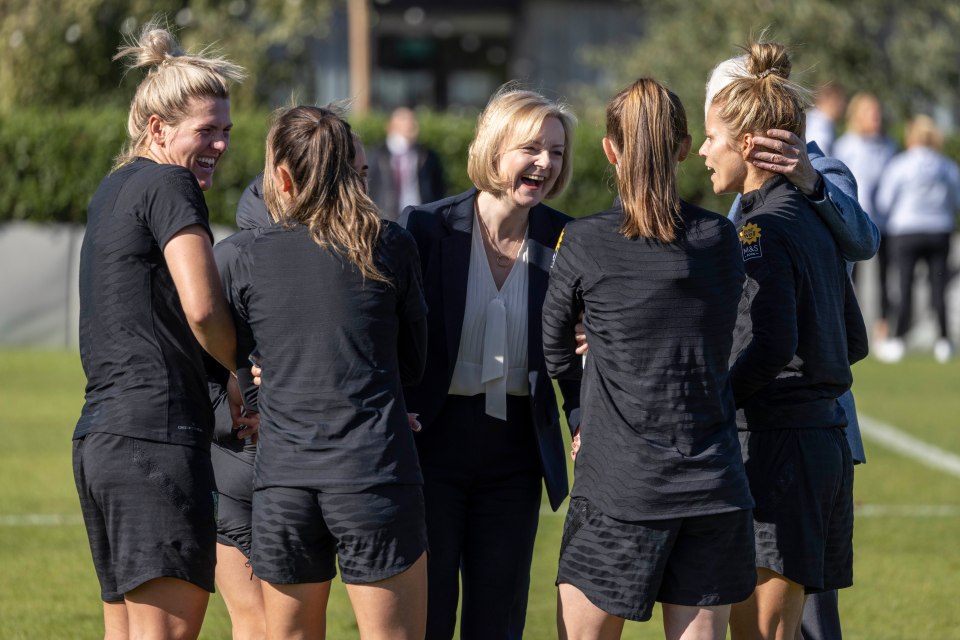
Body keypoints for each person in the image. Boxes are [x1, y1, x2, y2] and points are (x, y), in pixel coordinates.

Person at [543, 78, 755, 640]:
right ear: (684, 147)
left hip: (619, 484)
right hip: (712, 482)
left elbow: (554, 345)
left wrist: (578, 416)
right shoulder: (719, 237)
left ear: (610, 149)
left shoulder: (585, 241)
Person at [72, 21, 251, 640]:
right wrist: (239, 374)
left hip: (101, 440)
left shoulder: (112, 188)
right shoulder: (171, 184)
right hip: (155, 438)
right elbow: (202, 307)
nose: (220, 145)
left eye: (226, 131)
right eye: (206, 130)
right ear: (158, 129)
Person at [228, 105, 428, 639]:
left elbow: (222, 343)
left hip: (283, 481)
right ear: (357, 172)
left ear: (284, 178)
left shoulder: (247, 254)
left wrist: (257, 384)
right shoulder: (390, 244)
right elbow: (414, 361)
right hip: (374, 473)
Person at [705, 53, 878, 640]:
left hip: (781, 436)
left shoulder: (784, 208)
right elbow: (851, 335)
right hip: (813, 429)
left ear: (749, 140)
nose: (703, 152)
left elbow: (770, 342)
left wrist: (712, 399)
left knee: (778, 626)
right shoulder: (785, 213)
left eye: (710, 137)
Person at [400, 84, 581, 639]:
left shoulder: (567, 239)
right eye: (530, 148)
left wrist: (582, 419)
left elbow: (578, 355)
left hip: (516, 452)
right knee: (428, 613)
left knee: (498, 619)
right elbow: (394, 335)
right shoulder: (427, 229)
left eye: (555, 151)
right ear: (494, 148)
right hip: (433, 442)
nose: (545, 163)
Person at [206, 129, 371, 639]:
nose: (361, 190)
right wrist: (240, 388)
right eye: (353, 176)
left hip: (263, 462)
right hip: (261, 463)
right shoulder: (249, 256)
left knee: (258, 625)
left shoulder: (237, 253)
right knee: (260, 624)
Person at [875, 114, 960, 363]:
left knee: (905, 286)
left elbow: (884, 201)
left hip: (906, 231)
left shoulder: (900, 165)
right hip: (939, 230)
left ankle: (899, 339)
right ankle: (944, 342)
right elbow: (957, 200)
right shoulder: (946, 166)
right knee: (938, 287)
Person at [833, 92, 899, 339]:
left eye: (878, 112)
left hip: (883, 223)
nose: (876, 117)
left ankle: (883, 330)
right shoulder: (846, 145)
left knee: (886, 280)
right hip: (853, 221)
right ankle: (851, 330)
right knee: (851, 279)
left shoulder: (890, 145)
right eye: (870, 112)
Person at [368, 106, 446, 220]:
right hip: (387, 219)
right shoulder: (377, 155)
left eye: (413, 119)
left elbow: (438, 188)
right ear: (390, 125)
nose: (411, 123)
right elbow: (370, 187)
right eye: (404, 119)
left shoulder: (427, 155)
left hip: (421, 217)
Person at [804, 82, 846, 156]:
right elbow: (820, 157)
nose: (842, 105)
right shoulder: (820, 127)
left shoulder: (822, 122)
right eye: (839, 100)